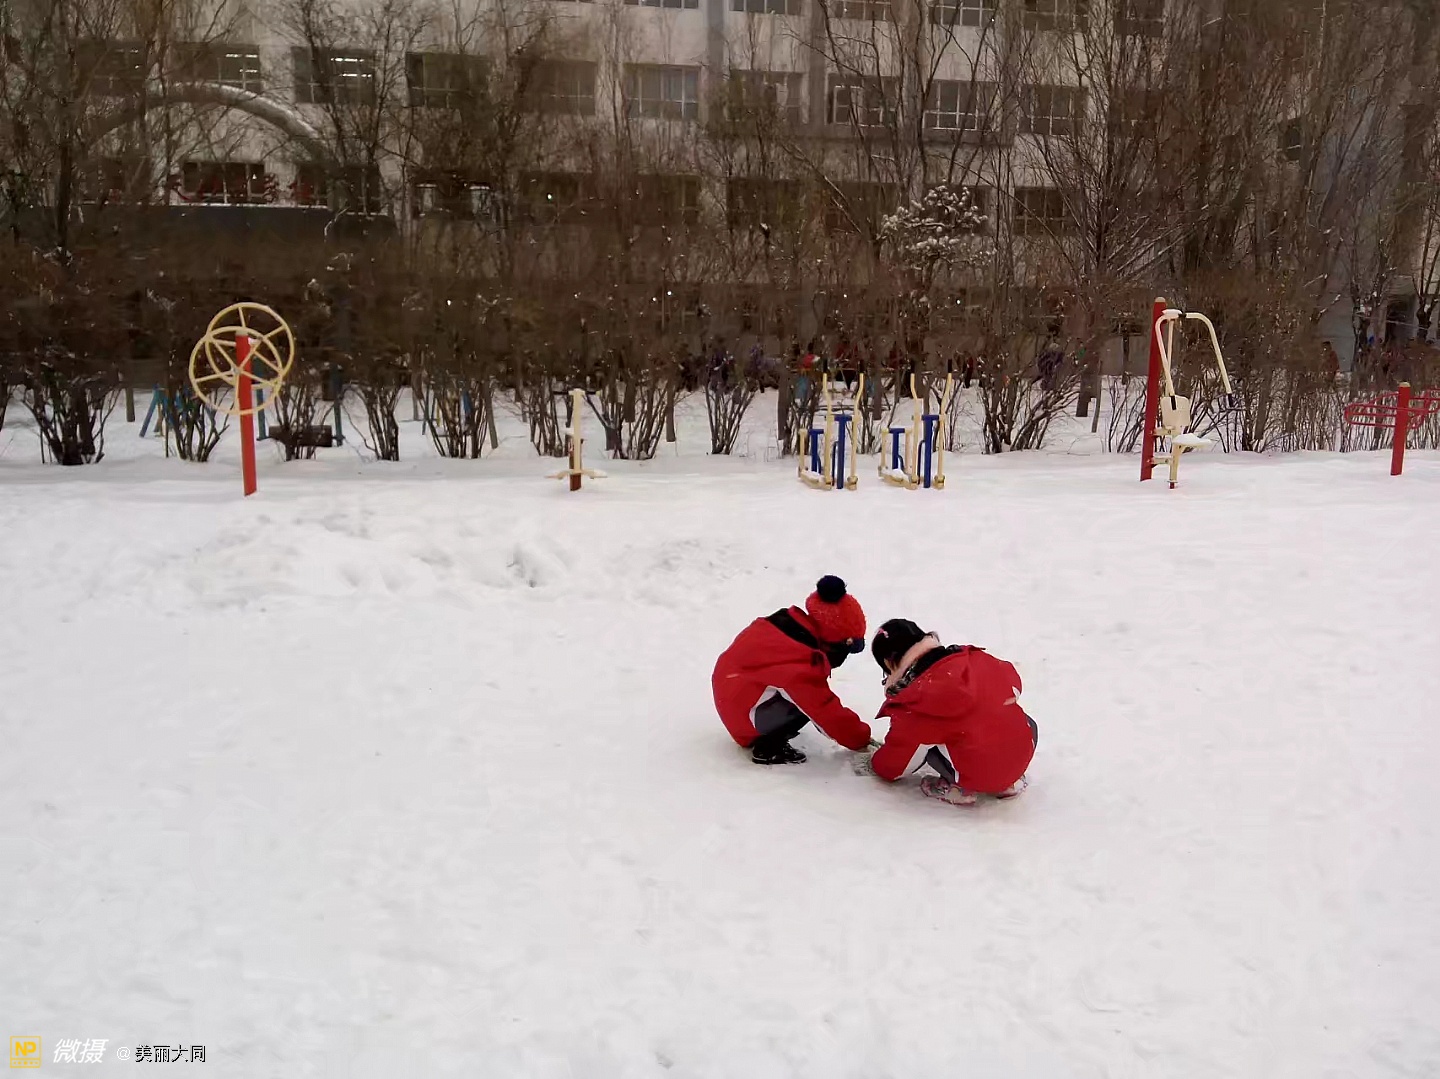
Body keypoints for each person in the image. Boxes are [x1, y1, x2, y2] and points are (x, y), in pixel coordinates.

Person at [863, 619, 1037, 805]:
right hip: (1020, 757)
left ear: (889, 663)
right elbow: (1014, 685)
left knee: (926, 741)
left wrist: (876, 764)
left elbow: (896, 764)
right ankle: (1009, 782)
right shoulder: (974, 660)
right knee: (1005, 714)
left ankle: (960, 789)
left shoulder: (916, 701)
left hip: (979, 771)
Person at [712, 576, 874, 765]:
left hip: (734, 695)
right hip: (742, 718)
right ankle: (767, 748)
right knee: (808, 704)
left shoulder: (787, 628)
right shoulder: (799, 660)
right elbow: (824, 709)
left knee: (805, 698)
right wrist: (861, 741)